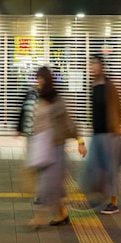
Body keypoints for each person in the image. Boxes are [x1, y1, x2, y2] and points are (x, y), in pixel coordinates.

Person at [28, 65, 81, 228]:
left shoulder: (57, 100)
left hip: (56, 148)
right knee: (52, 184)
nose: (38, 82)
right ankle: (63, 214)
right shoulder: (40, 97)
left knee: (49, 184)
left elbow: (68, 122)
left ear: (47, 80)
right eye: (37, 79)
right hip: (44, 147)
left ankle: (38, 218)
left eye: (40, 79)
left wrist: (80, 142)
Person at [78, 53, 121, 215]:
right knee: (93, 167)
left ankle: (113, 202)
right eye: (91, 65)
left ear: (102, 67)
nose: (92, 67)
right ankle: (95, 197)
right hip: (97, 133)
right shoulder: (94, 85)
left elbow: (118, 108)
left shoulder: (109, 86)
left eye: (95, 64)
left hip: (110, 134)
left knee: (110, 169)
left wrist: (118, 129)